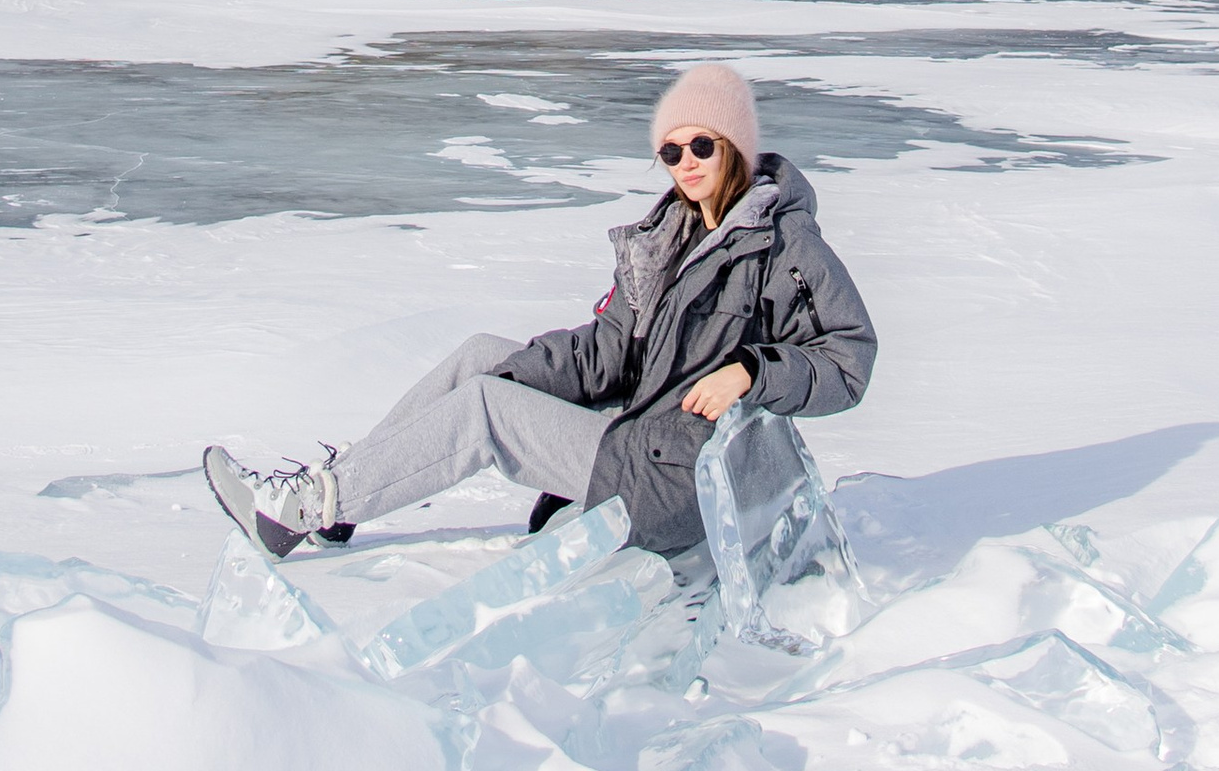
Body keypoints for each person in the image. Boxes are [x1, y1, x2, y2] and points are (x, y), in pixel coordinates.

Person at [203, 62, 876, 562]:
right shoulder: (667, 236)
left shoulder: (780, 240)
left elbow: (848, 358)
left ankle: (303, 507)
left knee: (484, 411)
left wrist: (751, 373)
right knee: (480, 357)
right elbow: (606, 355)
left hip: (682, 478)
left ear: (734, 143)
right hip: (638, 433)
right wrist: (515, 372)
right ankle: (344, 494)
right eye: (671, 150)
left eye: (702, 145)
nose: (686, 163)